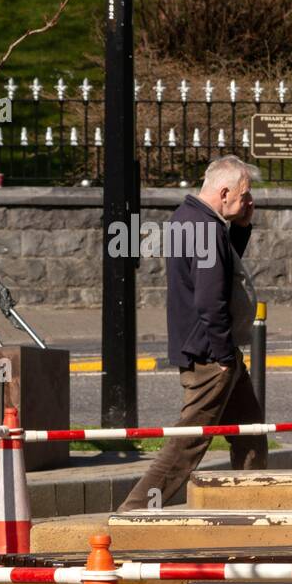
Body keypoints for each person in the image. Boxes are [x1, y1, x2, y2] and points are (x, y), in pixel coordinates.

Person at [117, 155, 266, 512]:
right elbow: (209, 299)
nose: (249, 201)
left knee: (249, 430)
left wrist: (242, 229)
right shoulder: (207, 229)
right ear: (225, 191)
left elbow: (220, 273)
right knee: (187, 445)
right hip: (210, 355)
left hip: (211, 348)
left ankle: (251, 500)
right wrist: (223, 356)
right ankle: (133, 513)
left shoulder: (189, 218)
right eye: (245, 195)